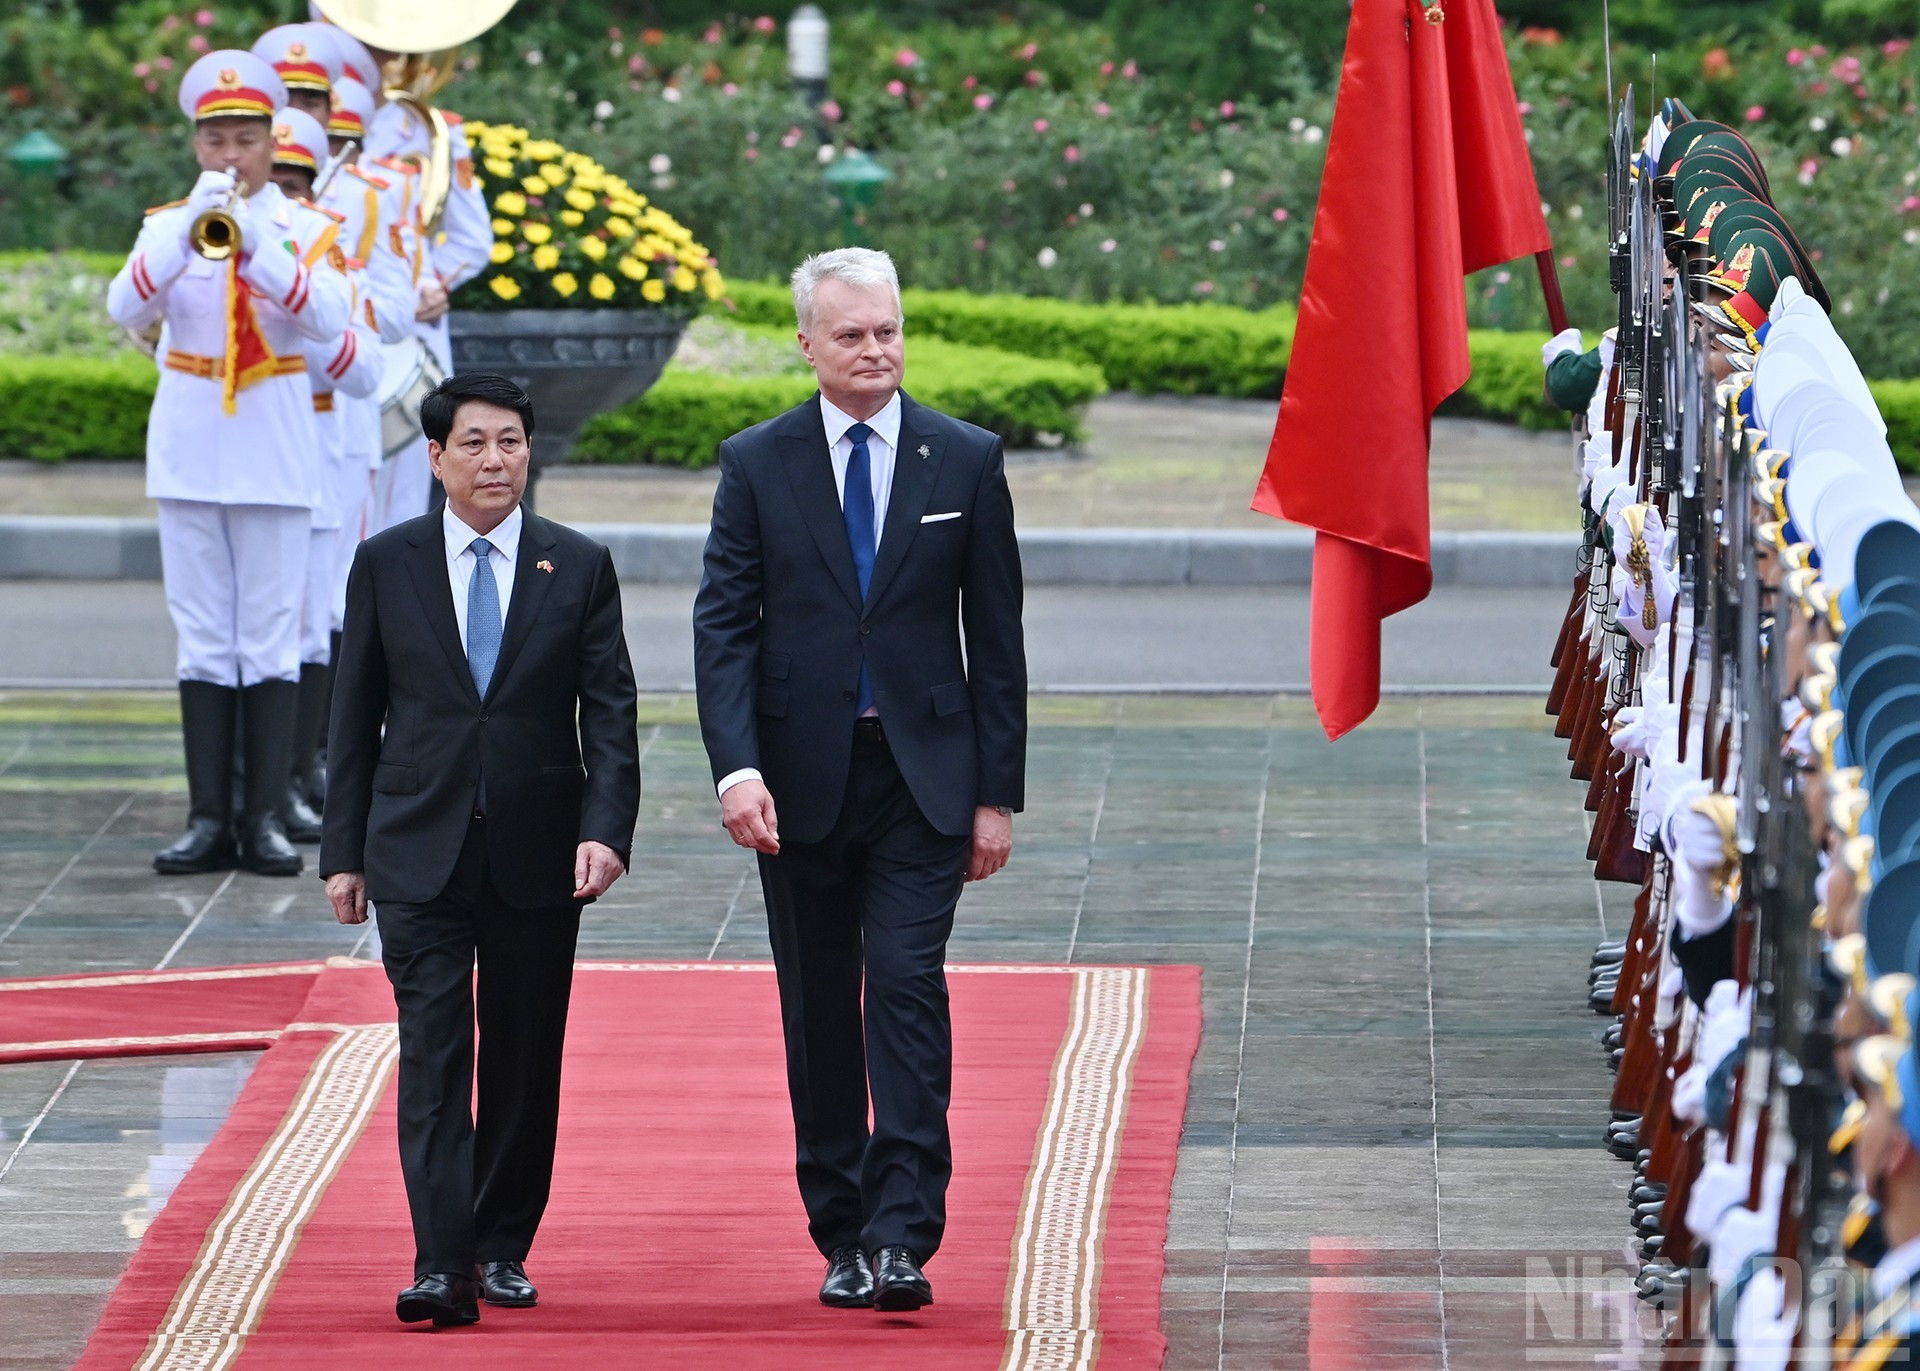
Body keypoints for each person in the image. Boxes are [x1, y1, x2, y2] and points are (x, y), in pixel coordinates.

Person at [692, 247, 1027, 1312]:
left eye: (886, 330)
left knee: (908, 987)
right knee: (820, 1006)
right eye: (852, 335)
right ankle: (838, 1226)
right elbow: (723, 631)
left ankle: (901, 1236)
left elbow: (999, 639)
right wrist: (736, 769)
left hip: (926, 778)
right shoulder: (757, 462)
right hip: (798, 786)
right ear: (807, 344)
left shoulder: (965, 458)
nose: (875, 349)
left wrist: (996, 795)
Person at [319, 371, 641, 1326]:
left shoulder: (576, 564)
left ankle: (503, 1244)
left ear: (528, 453)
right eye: (474, 444)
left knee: (522, 1055)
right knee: (432, 1054)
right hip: (416, 847)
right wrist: (345, 852)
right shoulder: (388, 561)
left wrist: (605, 829)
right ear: (435, 458)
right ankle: (440, 1259)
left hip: (540, 851)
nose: (494, 459)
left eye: (510, 442)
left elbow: (612, 714)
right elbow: (354, 715)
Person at [106, 49, 352, 878]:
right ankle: (208, 817)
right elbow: (124, 304)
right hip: (189, 450)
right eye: (215, 141)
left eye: (245, 140)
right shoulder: (167, 223)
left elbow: (326, 319)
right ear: (197, 145)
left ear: (268, 142)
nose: (230, 157)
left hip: (275, 451)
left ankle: (265, 817)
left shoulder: (304, 227)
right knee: (205, 640)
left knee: (273, 637)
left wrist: (258, 247)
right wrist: (188, 233)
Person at [265, 105, 384, 841]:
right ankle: (256, 789)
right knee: (261, 630)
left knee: (314, 622)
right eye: (273, 180)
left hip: (325, 449)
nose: (284, 195)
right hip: (256, 448)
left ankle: (301, 772)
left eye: (295, 182)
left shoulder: (328, 253)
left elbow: (363, 360)